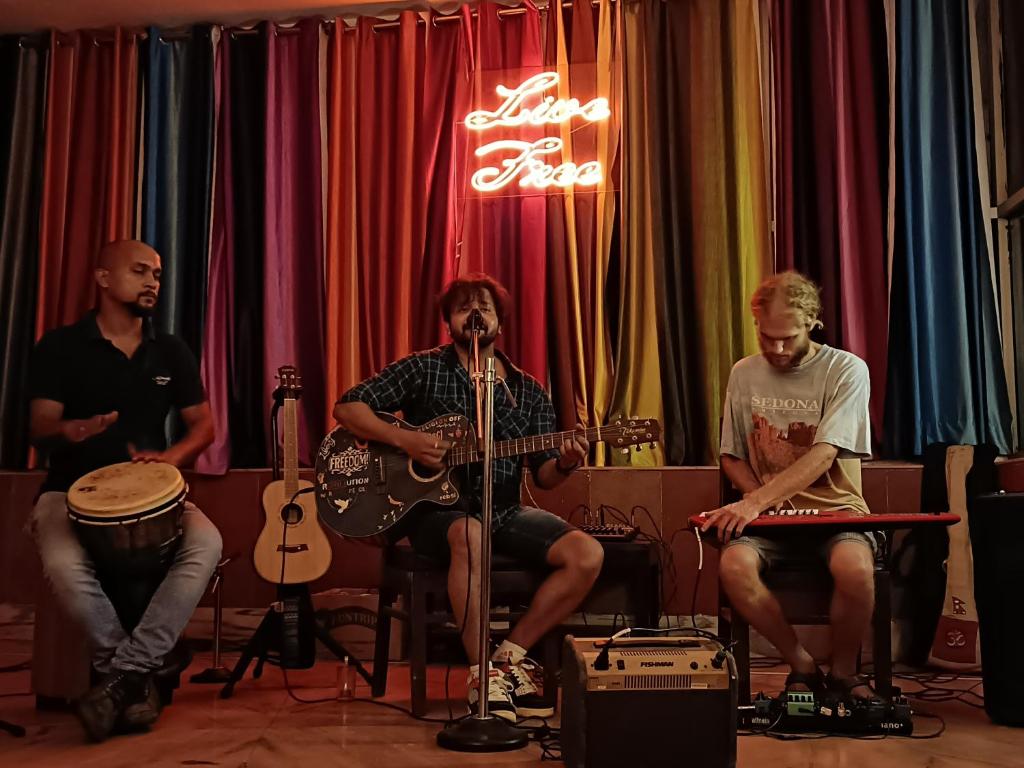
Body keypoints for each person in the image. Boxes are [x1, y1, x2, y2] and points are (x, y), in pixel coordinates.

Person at [334, 273, 604, 721]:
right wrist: (407, 442)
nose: (475, 314)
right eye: (463, 308)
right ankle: (479, 674)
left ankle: (507, 658)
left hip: (503, 509)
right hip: (434, 513)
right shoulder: (423, 368)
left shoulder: (527, 391)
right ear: (448, 324)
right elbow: (348, 407)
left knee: (587, 554)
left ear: (500, 321)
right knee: (470, 534)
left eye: (484, 307)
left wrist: (570, 462)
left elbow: (545, 476)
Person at [27, 239, 222, 741]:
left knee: (208, 543)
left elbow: (203, 427)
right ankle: (137, 675)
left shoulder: (170, 351)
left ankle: (121, 676)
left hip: (155, 496)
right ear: (104, 279)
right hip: (67, 490)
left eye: (157, 273)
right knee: (65, 565)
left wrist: (170, 459)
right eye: (140, 272)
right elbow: (39, 424)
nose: (153, 282)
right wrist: (71, 430)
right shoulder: (60, 346)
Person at [701, 271, 879, 704]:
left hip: (837, 512)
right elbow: (731, 457)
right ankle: (799, 663)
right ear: (756, 324)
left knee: (856, 569)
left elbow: (825, 453)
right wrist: (756, 504)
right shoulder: (744, 373)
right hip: (768, 518)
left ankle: (842, 674)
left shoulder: (847, 369)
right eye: (767, 337)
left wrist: (755, 501)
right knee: (733, 568)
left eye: (789, 338)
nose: (778, 349)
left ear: (812, 321)